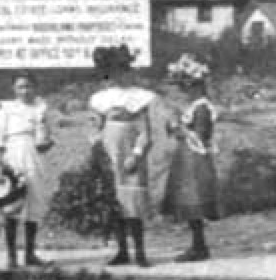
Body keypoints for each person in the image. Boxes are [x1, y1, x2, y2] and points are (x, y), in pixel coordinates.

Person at [85, 51, 162, 266]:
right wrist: (97, 150)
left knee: (133, 203)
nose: (120, 75)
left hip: (129, 153)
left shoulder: (138, 98)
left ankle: (140, 252)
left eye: (124, 70)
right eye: (116, 71)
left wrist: (136, 155)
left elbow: (145, 132)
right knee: (115, 203)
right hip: (110, 152)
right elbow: (95, 128)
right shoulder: (101, 98)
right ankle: (122, 251)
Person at [160, 56, 224, 262]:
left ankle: (199, 247)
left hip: (195, 158)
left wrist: (180, 130)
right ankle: (198, 245)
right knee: (188, 200)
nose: (185, 91)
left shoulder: (202, 107)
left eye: (187, 87)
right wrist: (174, 127)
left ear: (197, 87)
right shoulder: (194, 106)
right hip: (187, 156)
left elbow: (201, 135)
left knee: (193, 200)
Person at [0, 76, 55, 267]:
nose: (25, 90)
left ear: (34, 87)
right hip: (13, 155)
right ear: (14, 89)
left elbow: (46, 137)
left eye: (28, 86)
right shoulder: (7, 109)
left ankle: (30, 254)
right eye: (20, 87)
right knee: (12, 203)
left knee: (34, 202)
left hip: (34, 156)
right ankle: (11, 257)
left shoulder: (40, 108)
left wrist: (47, 142)